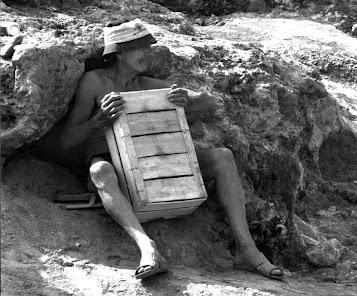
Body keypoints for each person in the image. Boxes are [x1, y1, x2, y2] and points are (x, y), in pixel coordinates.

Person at [59, 19, 284, 280]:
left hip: (152, 163)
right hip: (115, 165)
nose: (147, 52)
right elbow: (67, 141)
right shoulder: (94, 82)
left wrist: (186, 100)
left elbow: (210, 101)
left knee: (223, 157)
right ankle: (148, 248)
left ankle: (246, 249)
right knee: (100, 170)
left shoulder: (145, 84)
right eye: (138, 47)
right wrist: (99, 120)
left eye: (148, 46)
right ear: (118, 53)